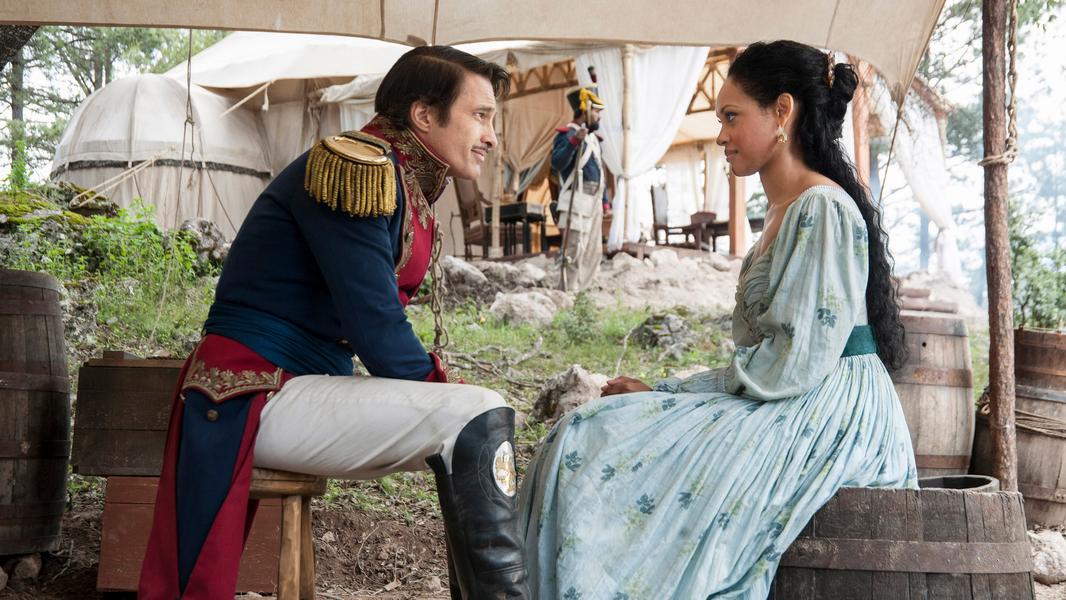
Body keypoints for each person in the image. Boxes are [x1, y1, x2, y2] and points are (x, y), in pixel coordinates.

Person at [517, 40, 917, 599]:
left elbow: (793, 361)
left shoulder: (821, 208)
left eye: (732, 116)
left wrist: (669, 393)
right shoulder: (782, 211)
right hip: (791, 392)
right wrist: (666, 392)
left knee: (595, 437)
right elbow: (774, 358)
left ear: (782, 112)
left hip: (828, 409)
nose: (722, 134)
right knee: (586, 432)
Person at [138, 46, 530, 600]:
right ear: (423, 114)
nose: (490, 135)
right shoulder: (353, 167)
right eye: (481, 115)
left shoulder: (402, 179)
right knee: (476, 414)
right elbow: (375, 325)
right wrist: (446, 391)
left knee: (476, 420)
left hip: (303, 387)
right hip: (252, 393)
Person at [551, 86, 608, 292]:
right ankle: (567, 291)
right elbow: (557, 163)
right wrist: (574, 140)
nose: (599, 116)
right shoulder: (567, 134)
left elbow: (599, 170)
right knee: (574, 248)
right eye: (596, 111)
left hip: (594, 200)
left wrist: (605, 200)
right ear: (585, 110)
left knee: (593, 250)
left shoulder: (593, 139)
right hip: (577, 198)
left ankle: (584, 292)